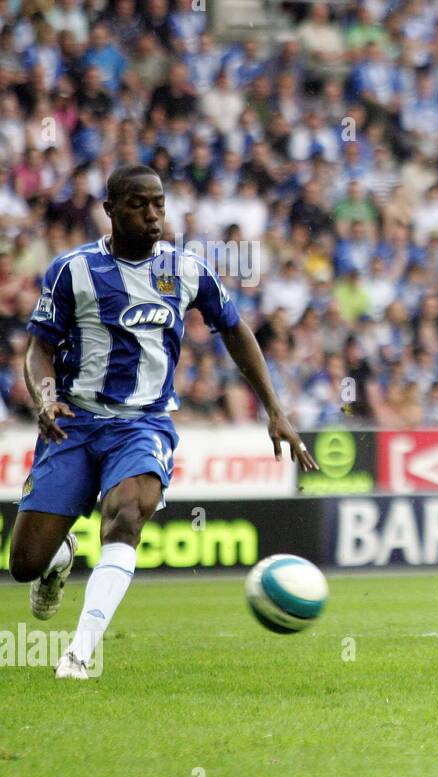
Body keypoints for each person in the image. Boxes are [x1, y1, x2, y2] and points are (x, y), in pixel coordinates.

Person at [11, 164, 319, 679]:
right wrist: (45, 398)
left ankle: (80, 652)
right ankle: (59, 557)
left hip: (144, 423)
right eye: (138, 204)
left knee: (128, 515)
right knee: (24, 565)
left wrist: (276, 410)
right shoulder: (73, 271)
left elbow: (236, 330)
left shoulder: (187, 269)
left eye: (158, 203)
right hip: (75, 424)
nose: (152, 214)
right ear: (110, 210)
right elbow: (39, 347)